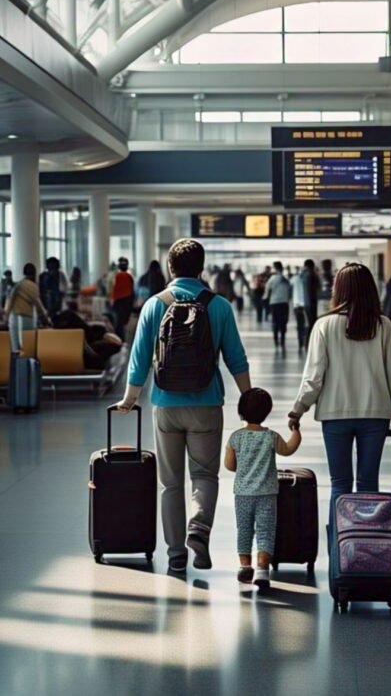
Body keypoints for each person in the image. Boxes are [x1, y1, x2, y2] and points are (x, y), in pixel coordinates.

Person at [113, 238, 251, 574]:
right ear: (201, 268)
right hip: (206, 403)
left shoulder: (155, 304)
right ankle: (198, 527)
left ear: (171, 268)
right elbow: (236, 358)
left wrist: (130, 398)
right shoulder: (218, 306)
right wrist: (248, 400)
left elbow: (140, 357)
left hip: (165, 404)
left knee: (171, 482)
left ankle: (176, 553)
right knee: (204, 474)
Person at [288, 263, 391, 532]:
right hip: (375, 415)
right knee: (368, 483)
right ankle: (366, 541)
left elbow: (314, 376)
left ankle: (339, 541)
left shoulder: (324, 325)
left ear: (338, 290)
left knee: (340, 483)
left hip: (335, 416)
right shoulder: (383, 325)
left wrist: (298, 409)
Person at [224, 387, 301, 588]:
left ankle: (244, 566)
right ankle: (262, 570)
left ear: (241, 412)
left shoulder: (235, 438)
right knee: (266, 531)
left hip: (242, 494)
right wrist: (296, 432)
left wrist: (244, 470)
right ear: (267, 413)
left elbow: (230, 465)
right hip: (267, 493)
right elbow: (288, 449)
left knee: (244, 529)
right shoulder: (271, 437)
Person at [4, 263, 50, 352]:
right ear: (35, 273)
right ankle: (27, 365)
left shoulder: (17, 285)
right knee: (27, 348)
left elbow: (9, 303)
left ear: (23, 273)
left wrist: (5, 318)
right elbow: (38, 304)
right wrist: (46, 319)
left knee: (15, 350)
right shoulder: (32, 286)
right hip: (26, 318)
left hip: (13, 318)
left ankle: (16, 365)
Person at [263, 261, 291, 348]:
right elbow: (290, 291)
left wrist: (265, 298)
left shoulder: (272, 279)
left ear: (275, 268)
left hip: (274, 303)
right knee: (283, 322)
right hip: (284, 303)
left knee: (275, 322)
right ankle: (282, 339)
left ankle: (276, 340)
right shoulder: (286, 279)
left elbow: (267, 291)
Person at [110, 257, 135, 339]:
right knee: (124, 323)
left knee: (118, 323)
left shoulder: (117, 277)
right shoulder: (129, 277)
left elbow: (114, 290)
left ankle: (118, 339)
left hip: (118, 302)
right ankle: (123, 339)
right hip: (127, 302)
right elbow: (132, 291)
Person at [39, 257, 65, 321]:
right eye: (50, 268)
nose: (52, 271)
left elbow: (63, 290)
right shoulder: (43, 276)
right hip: (47, 303)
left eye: (53, 268)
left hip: (56, 303)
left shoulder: (60, 275)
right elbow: (40, 291)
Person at [301, 258, 320, 345]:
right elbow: (316, 288)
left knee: (309, 323)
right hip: (311, 302)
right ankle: (309, 342)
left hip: (306, 302)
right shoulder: (311, 275)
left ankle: (307, 342)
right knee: (311, 324)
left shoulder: (302, 275)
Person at [290, 266, 307, 353]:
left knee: (300, 325)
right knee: (306, 325)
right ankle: (305, 342)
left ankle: (301, 342)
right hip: (305, 306)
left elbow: (289, 284)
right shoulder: (306, 279)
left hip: (297, 306)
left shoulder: (295, 278)